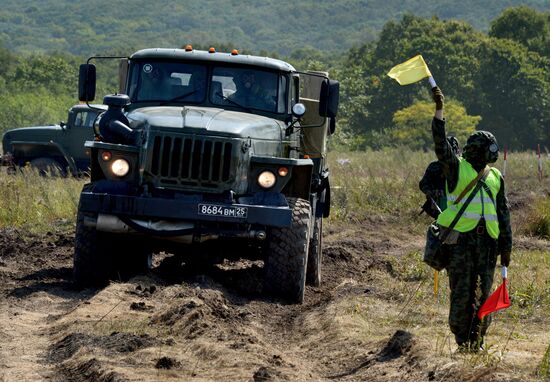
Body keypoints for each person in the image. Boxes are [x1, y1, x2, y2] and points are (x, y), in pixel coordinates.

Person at [430, 86, 512, 352]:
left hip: (487, 245)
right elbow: (441, 146)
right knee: (462, 295)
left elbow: (504, 215)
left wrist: (506, 250)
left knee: (484, 297)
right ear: (476, 150)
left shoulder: (496, 177)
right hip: (461, 244)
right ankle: (462, 340)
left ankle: (477, 341)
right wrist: (439, 111)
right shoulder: (457, 168)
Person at [419, 136, 461, 218]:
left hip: (460, 206)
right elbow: (423, 184)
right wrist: (433, 193)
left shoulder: (463, 167)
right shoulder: (434, 167)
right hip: (439, 206)